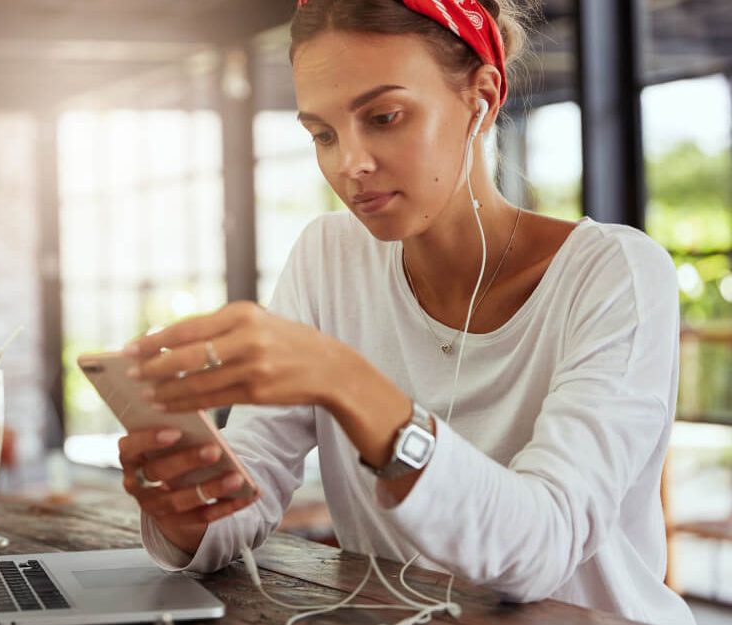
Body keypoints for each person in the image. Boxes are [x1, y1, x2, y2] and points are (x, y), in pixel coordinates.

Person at [116, 1, 696, 623]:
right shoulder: (328, 257)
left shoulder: (616, 275)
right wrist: (192, 510)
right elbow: (250, 488)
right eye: (323, 134)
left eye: (385, 117)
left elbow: (540, 549)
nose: (350, 164)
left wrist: (346, 381)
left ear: (483, 96)